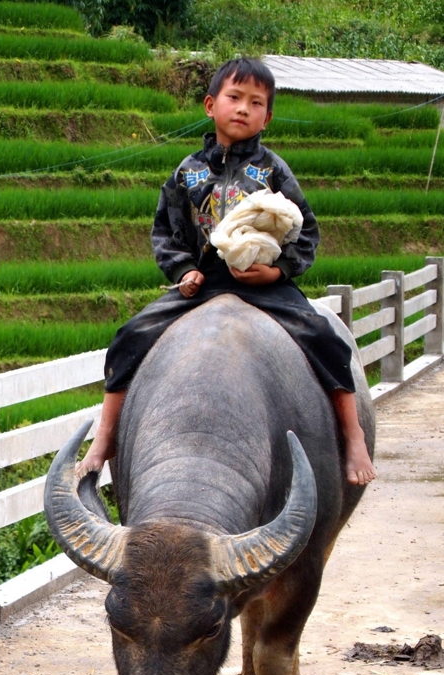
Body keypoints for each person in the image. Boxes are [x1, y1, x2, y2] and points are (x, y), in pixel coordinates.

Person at [78, 57, 376, 486]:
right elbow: (165, 230)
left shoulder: (273, 171)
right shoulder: (188, 172)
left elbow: (305, 231)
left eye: (256, 103)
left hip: (265, 283)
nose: (243, 108)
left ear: (267, 118)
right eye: (234, 98)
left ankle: (353, 434)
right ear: (210, 104)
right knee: (129, 337)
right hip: (201, 284)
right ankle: (106, 437)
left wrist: (277, 273)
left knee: (326, 337)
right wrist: (183, 271)